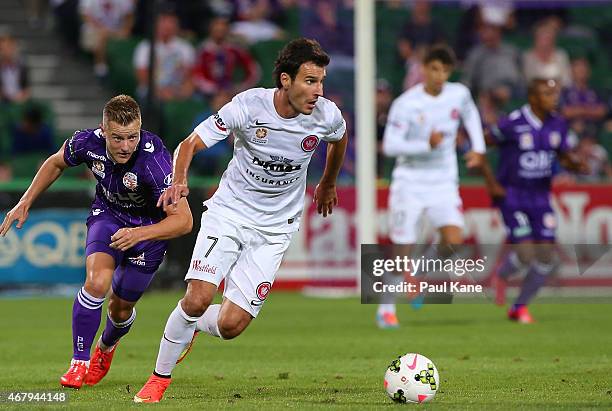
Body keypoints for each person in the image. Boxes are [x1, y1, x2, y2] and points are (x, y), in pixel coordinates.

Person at [133, 37, 347, 403]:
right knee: (198, 297)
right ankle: (158, 379)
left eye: (321, 81)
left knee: (231, 326)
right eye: (310, 81)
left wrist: (327, 182)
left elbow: (339, 139)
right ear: (285, 80)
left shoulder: (326, 115)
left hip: (275, 229)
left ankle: (190, 327)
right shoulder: (248, 107)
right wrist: (179, 180)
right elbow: (189, 144)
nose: (318, 90)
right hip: (229, 214)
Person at [0, 95, 193, 389]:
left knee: (120, 310)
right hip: (109, 218)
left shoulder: (155, 162)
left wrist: (138, 235)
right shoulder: (86, 143)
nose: (126, 146)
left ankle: (105, 348)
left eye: (132, 137)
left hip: (149, 231)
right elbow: (55, 163)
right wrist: (25, 201)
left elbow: (184, 221)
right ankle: (79, 362)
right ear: (104, 131)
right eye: (117, 138)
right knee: (96, 282)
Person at [378, 45, 486, 329]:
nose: (440, 76)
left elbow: (471, 114)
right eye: (435, 69)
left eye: (445, 70)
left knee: (453, 240)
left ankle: (416, 273)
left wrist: (479, 148)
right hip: (410, 182)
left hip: (443, 181)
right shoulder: (406, 103)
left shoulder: (458, 94)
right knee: (402, 249)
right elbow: (390, 146)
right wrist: (425, 144)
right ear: (424, 69)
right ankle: (386, 309)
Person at [482, 78, 588, 323]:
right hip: (512, 195)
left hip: (541, 196)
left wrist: (574, 164)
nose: (554, 98)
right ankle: (502, 274)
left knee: (547, 257)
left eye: (555, 93)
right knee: (526, 253)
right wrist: (491, 182)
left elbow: (562, 154)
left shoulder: (558, 123)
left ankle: (519, 307)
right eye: (547, 94)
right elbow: (481, 146)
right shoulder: (512, 123)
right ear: (533, 98)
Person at [133, 8, 195, 102]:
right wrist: (160, 91)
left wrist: (181, 90)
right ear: (156, 24)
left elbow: (189, 75)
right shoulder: (145, 47)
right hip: (151, 91)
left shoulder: (185, 48)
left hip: (177, 90)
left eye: (171, 22)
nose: (167, 26)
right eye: (163, 22)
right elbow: (142, 76)